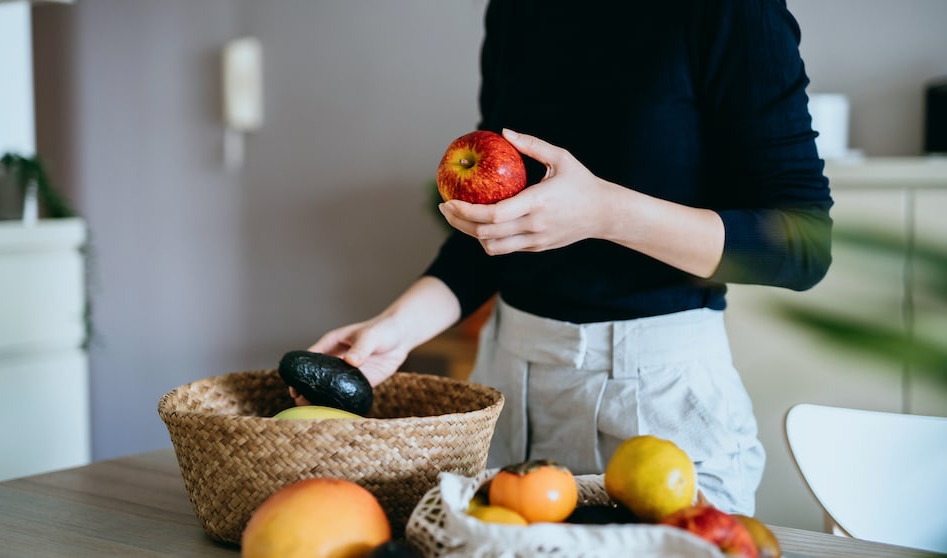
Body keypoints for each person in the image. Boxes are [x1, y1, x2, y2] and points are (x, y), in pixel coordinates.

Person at [304, 0, 833, 515]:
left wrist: (606, 213)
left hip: (657, 405)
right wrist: (396, 329)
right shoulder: (515, 10)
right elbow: (498, 231)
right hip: (508, 388)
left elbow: (803, 245)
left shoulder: (731, 11)